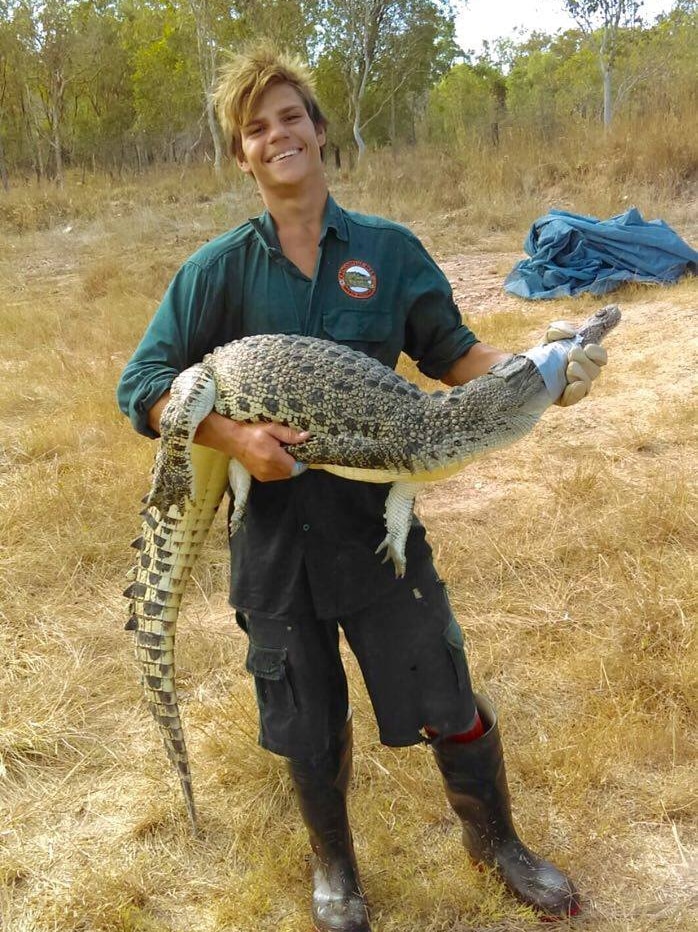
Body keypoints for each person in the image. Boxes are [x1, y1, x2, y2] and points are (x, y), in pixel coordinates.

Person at [118, 43, 604, 931]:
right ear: (242, 155)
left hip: (379, 527)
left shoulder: (386, 250)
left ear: (320, 129)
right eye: (256, 128)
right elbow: (142, 387)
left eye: (291, 117)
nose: (278, 137)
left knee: (445, 694)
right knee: (305, 720)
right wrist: (234, 438)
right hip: (273, 546)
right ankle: (335, 869)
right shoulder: (215, 272)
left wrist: (545, 369)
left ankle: (496, 843)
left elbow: (457, 357)